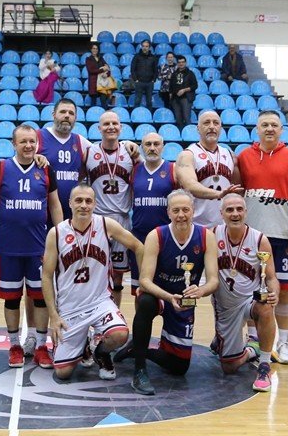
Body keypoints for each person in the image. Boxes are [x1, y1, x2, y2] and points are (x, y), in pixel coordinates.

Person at [116, 189, 220, 395]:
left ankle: (138, 350)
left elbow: (214, 280)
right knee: (145, 303)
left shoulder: (206, 236)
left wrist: (200, 291)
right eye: (176, 210)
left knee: (179, 368)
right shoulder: (157, 235)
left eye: (185, 209)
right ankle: (139, 370)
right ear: (169, 213)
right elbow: (144, 281)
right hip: (160, 295)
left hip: (185, 301)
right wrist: (168, 296)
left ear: (193, 211)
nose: (181, 214)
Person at [42, 183, 144, 381]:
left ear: (95, 204)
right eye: (78, 200)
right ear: (70, 203)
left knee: (120, 335)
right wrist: (53, 317)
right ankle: (83, 346)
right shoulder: (56, 233)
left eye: (88, 201)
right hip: (70, 308)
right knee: (63, 373)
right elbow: (46, 277)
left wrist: (143, 282)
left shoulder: (106, 225)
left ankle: (100, 352)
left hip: (100, 303)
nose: (83, 205)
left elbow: (139, 247)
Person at [0, 124, 63, 368]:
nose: (29, 145)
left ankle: (41, 345)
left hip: (38, 248)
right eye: (23, 142)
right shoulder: (0, 168)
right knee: (11, 299)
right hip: (9, 248)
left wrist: (61, 236)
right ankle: (14, 345)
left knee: (40, 297)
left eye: (32, 141)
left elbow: (55, 204)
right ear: (14, 144)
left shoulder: (45, 168)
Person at [236, 109, 288, 363]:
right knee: (251, 289)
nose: (269, 129)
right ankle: (253, 341)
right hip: (251, 237)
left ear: (281, 129)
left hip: (282, 234)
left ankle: (285, 342)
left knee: (284, 290)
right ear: (257, 129)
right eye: (264, 125)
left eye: (274, 125)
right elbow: (237, 191)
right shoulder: (244, 157)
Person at [212, 194, 280, 392]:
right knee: (229, 367)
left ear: (246, 212)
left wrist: (274, 293)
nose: (235, 214)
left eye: (239, 209)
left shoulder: (259, 240)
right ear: (222, 214)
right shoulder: (212, 235)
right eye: (230, 210)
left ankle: (264, 365)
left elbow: (272, 278)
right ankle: (252, 350)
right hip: (225, 309)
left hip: (250, 302)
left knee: (266, 305)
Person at [82, 111, 138, 309]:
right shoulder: (89, 153)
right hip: (97, 219)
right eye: (106, 124)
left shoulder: (131, 153)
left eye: (115, 123)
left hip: (122, 220)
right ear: (99, 128)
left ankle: (114, 317)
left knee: (117, 276)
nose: (111, 127)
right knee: (94, 272)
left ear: (121, 127)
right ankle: (92, 319)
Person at [176, 110, 243, 228]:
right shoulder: (188, 154)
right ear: (198, 128)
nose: (212, 127)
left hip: (223, 226)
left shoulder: (230, 155)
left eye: (216, 123)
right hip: (196, 224)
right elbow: (189, 185)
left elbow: (237, 189)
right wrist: (218, 194)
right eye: (206, 123)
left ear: (221, 128)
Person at [129, 131, 175, 290]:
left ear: (163, 147)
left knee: (166, 288)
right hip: (139, 237)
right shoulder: (134, 169)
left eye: (156, 144)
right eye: (148, 144)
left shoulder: (173, 169)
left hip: (165, 238)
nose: (152, 148)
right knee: (140, 289)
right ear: (142, 147)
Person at [167, 55, 199, 125]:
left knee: (186, 118)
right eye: (179, 62)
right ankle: (181, 134)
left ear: (185, 63)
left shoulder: (190, 73)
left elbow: (195, 86)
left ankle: (189, 135)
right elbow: (171, 87)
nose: (181, 64)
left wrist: (184, 90)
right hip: (175, 99)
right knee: (178, 119)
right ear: (177, 64)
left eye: (183, 62)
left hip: (186, 98)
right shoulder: (174, 74)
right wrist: (171, 98)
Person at [128, 40, 158, 109]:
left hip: (150, 83)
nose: (145, 48)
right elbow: (132, 69)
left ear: (149, 47)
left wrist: (153, 80)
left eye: (146, 46)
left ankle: (149, 117)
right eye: (143, 46)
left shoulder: (153, 58)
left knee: (149, 102)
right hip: (139, 82)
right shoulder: (136, 57)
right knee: (137, 101)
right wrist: (136, 80)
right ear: (141, 47)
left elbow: (155, 70)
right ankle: (135, 116)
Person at [84, 43, 109, 107]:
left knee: (104, 102)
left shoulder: (101, 58)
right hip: (93, 83)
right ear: (91, 50)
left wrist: (107, 74)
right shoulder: (88, 59)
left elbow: (108, 68)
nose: (95, 50)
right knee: (93, 102)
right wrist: (102, 70)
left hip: (102, 83)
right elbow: (91, 71)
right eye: (93, 48)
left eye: (96, 49)